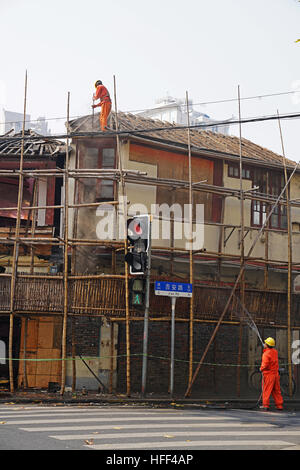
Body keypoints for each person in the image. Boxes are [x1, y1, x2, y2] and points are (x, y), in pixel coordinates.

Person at [260, 337, 283, 411]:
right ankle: (279, 405)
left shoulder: (266, 354)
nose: (264, 344)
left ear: (267, 345)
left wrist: (261, 369)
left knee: (266, 390)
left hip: (268, 374)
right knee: (276, 390)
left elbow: (265, 365)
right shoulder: (275, 352)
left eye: (265, 343)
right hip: (275, 374)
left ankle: (265, 405)